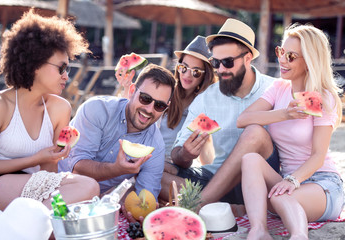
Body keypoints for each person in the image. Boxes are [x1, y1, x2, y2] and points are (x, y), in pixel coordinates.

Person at [160, 18, 280, 212]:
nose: (221, 69)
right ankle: (230, 207)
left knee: (255, 132)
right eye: (216, 62)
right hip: (215, 180)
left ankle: (198, 204)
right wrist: (185, 154)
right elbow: (178, 154)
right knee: (153, 172)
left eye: (228, 62)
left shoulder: (275, 88)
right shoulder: (206, 98)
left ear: (248, 58)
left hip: (262, 181)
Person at [0, 10, 100, 211]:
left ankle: (30, 227)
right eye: (61, 68)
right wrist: (35, 159)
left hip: (33, 187)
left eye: (68, 69)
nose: (66, 76)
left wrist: (53, 157)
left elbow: (48, 174)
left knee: (79, 197)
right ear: (35, 64)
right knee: (87, 186)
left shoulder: (60, 108)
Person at [237, 24, 344, 239]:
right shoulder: (279, 88)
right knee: (250, 159)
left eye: (292, 56)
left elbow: (318, 155)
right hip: (288, 181)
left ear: (310, 61)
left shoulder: (323, 97)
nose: (282, 60)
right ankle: (259, 231)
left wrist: (293, 181)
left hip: (321, 182)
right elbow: (243, 119)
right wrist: (285, 114)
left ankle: (299, 236)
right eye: (281, 52)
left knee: (278, 198)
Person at [58, 64, 175, 202]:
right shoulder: (97, 109)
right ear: (132, 91)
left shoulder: (156, 145)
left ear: (166, 108)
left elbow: (146, 196)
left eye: (159, 105)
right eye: (145, 98)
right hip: (56, 183)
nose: (149, 109)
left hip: (96, 203)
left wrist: (141, 210)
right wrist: (117, 169)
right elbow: (77, 168)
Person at [115, 36, 217, 165]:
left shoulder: (204, 105)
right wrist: (126, 86)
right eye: (183, 68)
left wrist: (212, 177)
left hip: (176, 165)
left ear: (205, 75)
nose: (187, 75)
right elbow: (130, 115)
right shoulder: (165, 92)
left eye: (196, 72)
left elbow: (205, 146)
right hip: (145, 156)